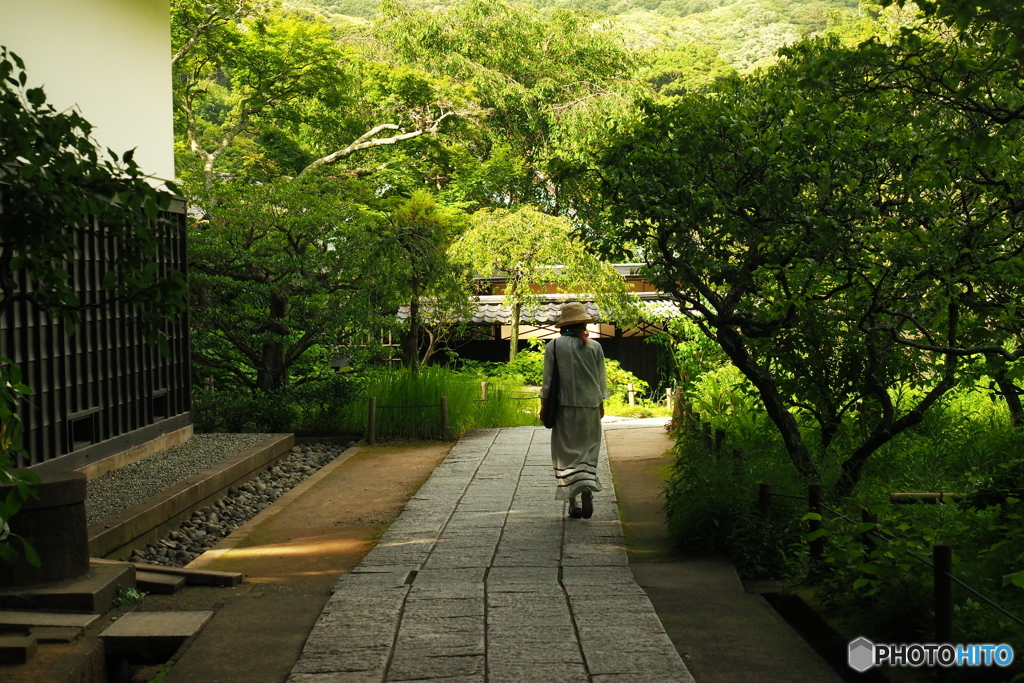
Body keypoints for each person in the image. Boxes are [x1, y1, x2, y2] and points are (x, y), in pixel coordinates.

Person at [539, 301, 608, 519]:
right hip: (590, 405)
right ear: (582, 323)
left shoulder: (554, 346)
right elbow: (600, 380)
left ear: (564, 325)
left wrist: (543, 405)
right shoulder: (594, 346)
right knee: (588, 448)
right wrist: (601, 403)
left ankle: (573, 502)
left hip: (563, 406)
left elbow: (548, 381)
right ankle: (587, 484)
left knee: (565, 453)